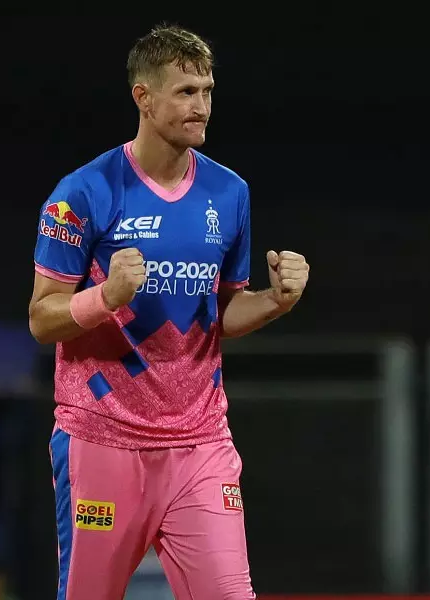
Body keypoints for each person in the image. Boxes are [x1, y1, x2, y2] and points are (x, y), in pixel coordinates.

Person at [28, 24, 309, 600]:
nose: (201, 106)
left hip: (200, 444)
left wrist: (276, 301)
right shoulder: (82, 193)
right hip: (102, 442)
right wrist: (105, 296)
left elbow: (221, 312)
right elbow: (41, 318)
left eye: (207, 91)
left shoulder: (229, 193)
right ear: (144, 97)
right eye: (185, 92)